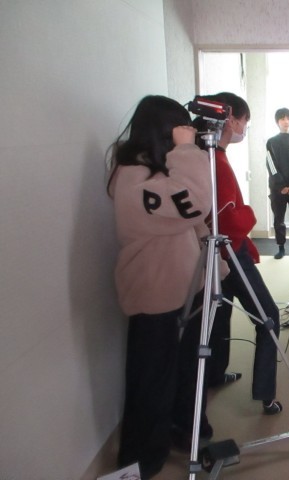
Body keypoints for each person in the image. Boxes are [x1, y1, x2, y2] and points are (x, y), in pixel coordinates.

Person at [107, 95, 213, 478]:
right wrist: (186, 150)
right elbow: (196, 202)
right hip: (155, 296)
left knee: (183, 372)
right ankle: (141, 462)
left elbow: (192, 221)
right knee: (151, 382)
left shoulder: (155, 173)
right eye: (179, 130)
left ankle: (183, 431)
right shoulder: (133, 179)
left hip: (184, 290)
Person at [193, 92, 283, 416]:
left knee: (219, 315)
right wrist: (251, 214)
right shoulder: (216, 162)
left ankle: (216, 374)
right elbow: (229, 221)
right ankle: (266, 396)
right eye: (245, 121)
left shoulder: (204, 156)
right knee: (268, 317)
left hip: (215, 254)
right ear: (230, 119)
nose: (244, 128)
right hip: (230, 252)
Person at [266, 107, 289, 259]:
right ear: (277, 122)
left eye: (288, 118)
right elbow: (271, 164)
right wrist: (281, 186)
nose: (286, 121)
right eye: (282, 118)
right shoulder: (271, 142)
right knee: (278, 219)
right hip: (277, 189)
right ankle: (281, 248)